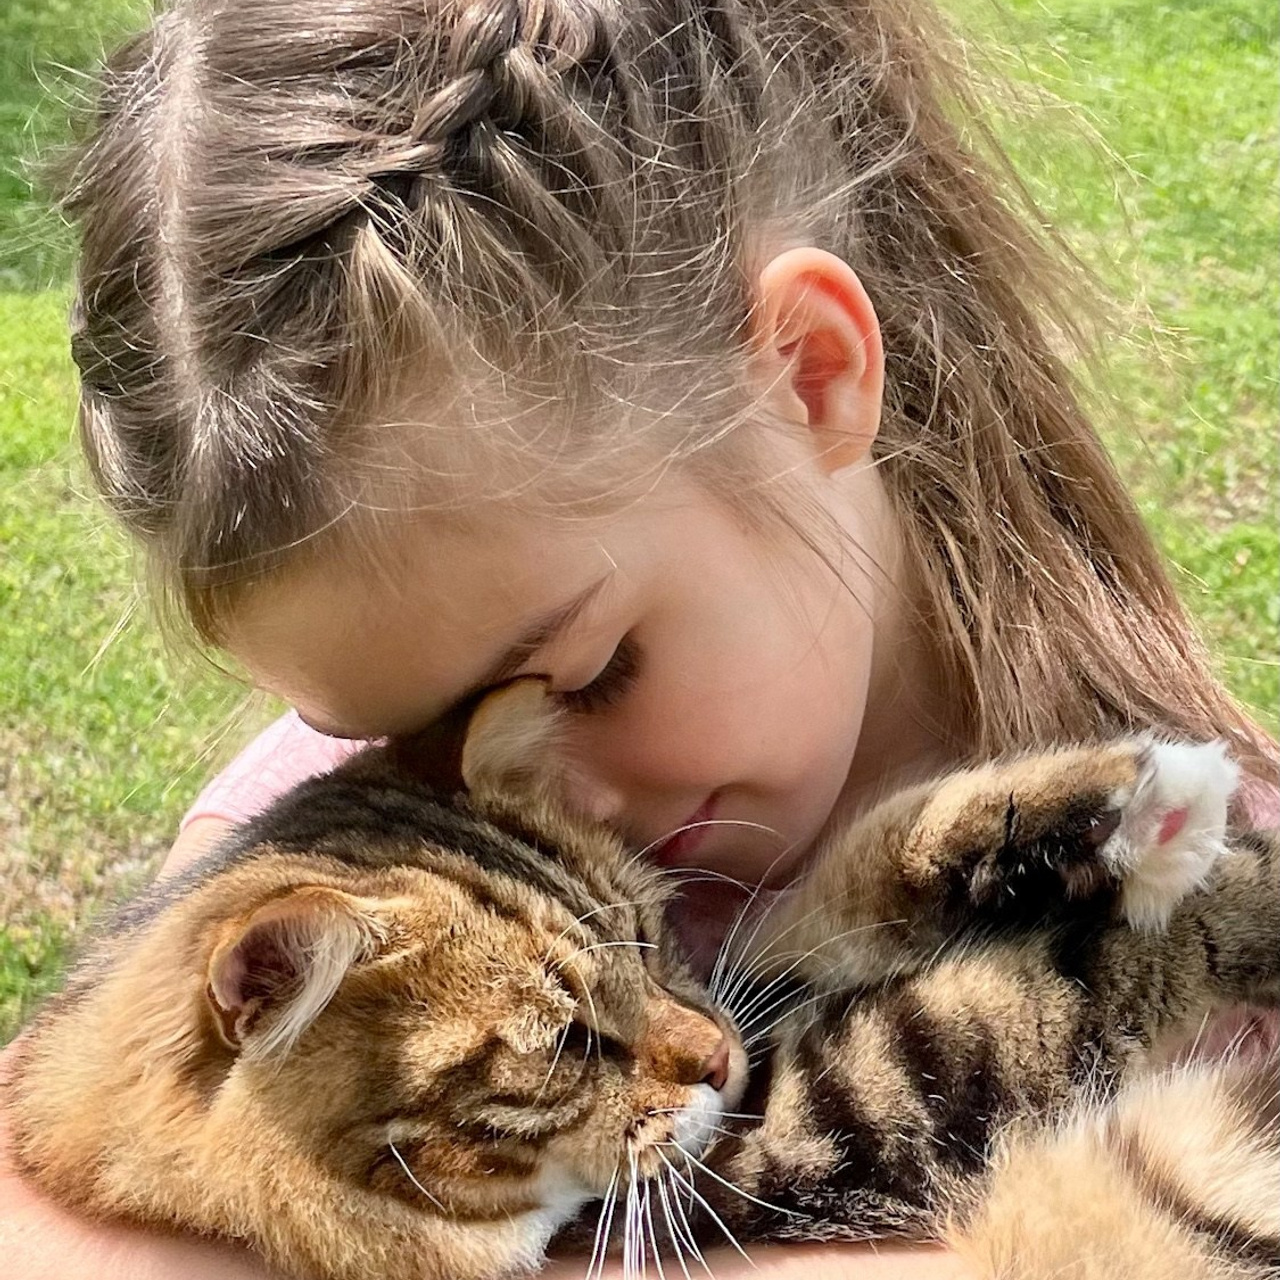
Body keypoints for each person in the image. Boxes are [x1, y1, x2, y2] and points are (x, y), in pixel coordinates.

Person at [1, 0, 1275, 1277]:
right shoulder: (359, 852)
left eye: (589, 672)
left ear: (808, 372)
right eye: (400, 735)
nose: (540, 793)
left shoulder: (1230, 908)